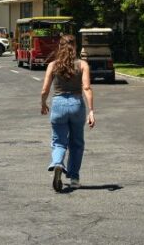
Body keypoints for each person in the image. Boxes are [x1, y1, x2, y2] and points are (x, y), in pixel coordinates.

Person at [39, 34, 95, 192]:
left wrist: (43, 104)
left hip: (58, 105)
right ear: (75, 47)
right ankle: (74, 177)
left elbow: (44, 90)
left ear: (59, 47)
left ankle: (57, 163)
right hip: (77, 105)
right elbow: (86, 88)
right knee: (77, 143)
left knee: (58, 141)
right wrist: (91, 111)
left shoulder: (53, 65)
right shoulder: (82, 65)